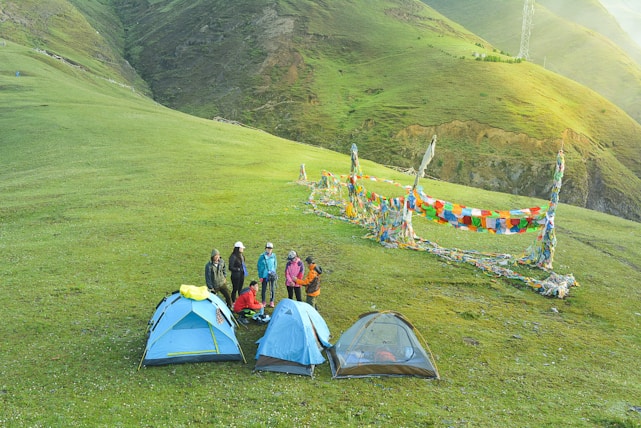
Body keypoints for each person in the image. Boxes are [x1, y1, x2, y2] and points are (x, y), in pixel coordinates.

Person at [257, 242, 278, 307]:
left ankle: (272, 301)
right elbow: (259, 266)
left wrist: (274, 272)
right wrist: (260, 276)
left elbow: (275, 264)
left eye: (270, 248)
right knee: (264, 289)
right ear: (265, 248)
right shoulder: (262, 256)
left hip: (272, 275)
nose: (269, 250)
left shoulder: (274, 256)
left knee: (272, 288)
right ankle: (263, 301)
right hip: (264, 275)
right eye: (268, 248)